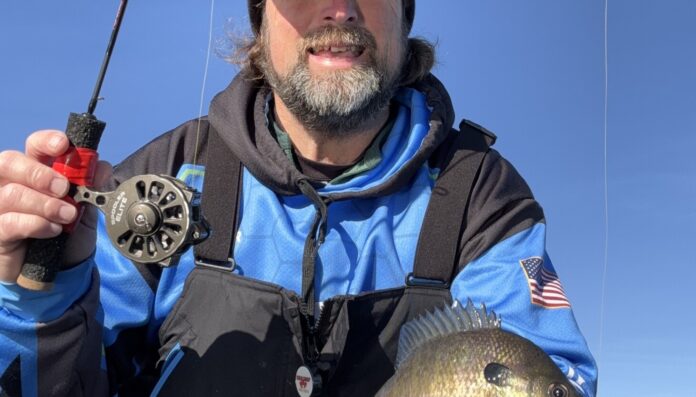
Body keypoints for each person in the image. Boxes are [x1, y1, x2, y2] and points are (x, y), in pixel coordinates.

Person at [0, 1, 598, 396]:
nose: (339, 7)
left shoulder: (481, 195)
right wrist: (33, 296)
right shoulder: (163, 178)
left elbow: (548, 370)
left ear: (404, 17)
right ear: (261, 22)